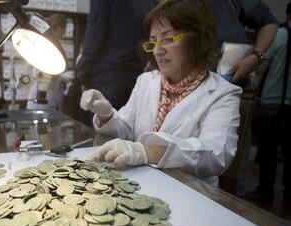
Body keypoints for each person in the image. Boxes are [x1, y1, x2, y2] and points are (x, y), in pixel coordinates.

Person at [81, 0, 242, 186]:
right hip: (139, 183)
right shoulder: (147, 81)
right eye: (153, 42)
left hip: (189, 192)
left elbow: (216, 156)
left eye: (167, 39)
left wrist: (147, 152)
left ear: (197, 39)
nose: (158, 50)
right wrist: (106, 115)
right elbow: (126, 129)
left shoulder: (223, 93)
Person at [76, 0, 155, 125]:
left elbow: (95, 31)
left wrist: (82, 73)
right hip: (136, 79)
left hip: (106, 76)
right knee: (128, 138)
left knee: (101, 134)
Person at [246, 2, 291, 206]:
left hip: (272, 102)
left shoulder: (280, 36)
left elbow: (261, 67)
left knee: (267, 152)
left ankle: (265, 193)